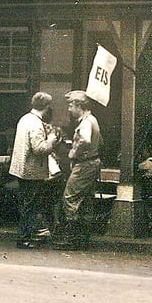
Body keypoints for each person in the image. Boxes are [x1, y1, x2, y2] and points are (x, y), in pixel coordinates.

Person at [9, 92, 59, 249]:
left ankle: (28, 235)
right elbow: (38, 149)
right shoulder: (36, 123)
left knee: (26, 205)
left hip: (21, 169)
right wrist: (51, 139)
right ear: (47, 107)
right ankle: (25, 238)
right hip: (32, 171)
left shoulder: (25, 119)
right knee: (30, 206)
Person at [53, 91, 102, 251]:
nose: (69, 109)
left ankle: (71, 238)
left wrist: (74, 152)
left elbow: (86, 139)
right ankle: (82, 238)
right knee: (86, 200)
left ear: (79, 106)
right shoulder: (92, 120)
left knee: (70, 198)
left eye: (71, 105)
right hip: (92, 162)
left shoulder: (86, 122)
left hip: (84, 164)